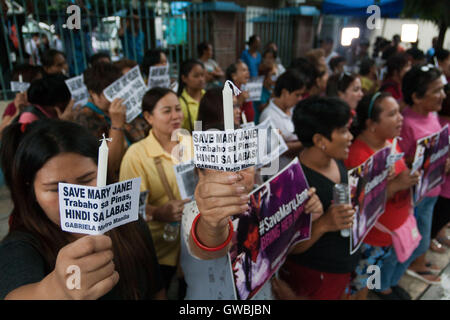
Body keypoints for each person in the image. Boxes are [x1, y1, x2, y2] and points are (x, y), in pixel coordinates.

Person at [0, 119, 165, 300]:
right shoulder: (21, 247)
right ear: (32, 191)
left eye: (87, 180)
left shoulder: (132, 224)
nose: (78, 196)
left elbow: (157, 290)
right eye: (55, 189)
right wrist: (55, 289)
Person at [181, 96, 322, 300]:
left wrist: (304, 214)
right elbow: (209, 244)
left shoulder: (265, 196)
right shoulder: (195, 210)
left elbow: (282, 246)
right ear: (200, 173)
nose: (235, 173)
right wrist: (212, 223)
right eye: (223, 164)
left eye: (243, 162)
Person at [280, 96, 358, 300]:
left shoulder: (336, 160)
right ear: (319, 141)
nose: (350, 137)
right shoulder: (294, 182)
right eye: (342, 131)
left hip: (341, 267)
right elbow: (287, 248)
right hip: (316, 276)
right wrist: (324, 224)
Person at [345, 92, 420, 300]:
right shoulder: (358, 157)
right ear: (371, 124)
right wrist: (395, 186)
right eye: (392, 114)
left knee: (369, 282)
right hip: (370, 240)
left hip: (387, 237)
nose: (400, 118)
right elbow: (358, 206)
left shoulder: (391, 141)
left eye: (399, 112)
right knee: (356, 287)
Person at [119, 87, 192, 294]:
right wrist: (160, 213)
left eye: (178, 109)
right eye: (167, 111)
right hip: (159, 250)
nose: (176, 116)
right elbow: (131, 207)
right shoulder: (136, 155)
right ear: (149, 117)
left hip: (193, 243)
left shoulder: (191, 143)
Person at [398, 64, 448, 285]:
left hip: (433, 188)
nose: (443, 95)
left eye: (442, 89)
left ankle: (418, 261)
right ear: (417, 97)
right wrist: (430, 160)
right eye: (436, 91)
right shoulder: (406, 123)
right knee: (414, 234)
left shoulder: (433, 114)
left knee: (424, 230)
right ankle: (412, 266)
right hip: (415, 193)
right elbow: (399, 160)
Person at [75, 62, 127, 184]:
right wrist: (117, 125)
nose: (116, 97)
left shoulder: (121, 108)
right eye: (109, 93)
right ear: (93, 93)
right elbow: (109, 166)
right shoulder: (85, 118)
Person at [259, 70, 305, 172]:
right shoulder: (268, 115)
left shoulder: (294, 110)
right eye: (297, 95)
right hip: (280, 172)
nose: (300, 99)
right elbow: (279, 149)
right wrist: (306, 142)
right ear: (285, 93)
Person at [0, 64, 43, 137]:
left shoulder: (44, 102)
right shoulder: (14, 106)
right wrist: (18, 112)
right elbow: (2, 133)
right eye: (38, 82)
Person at [113, 59, 150, 144]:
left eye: (135, 79)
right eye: (127, 81)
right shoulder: (114, 118)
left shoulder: (146, 110)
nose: (132, 85)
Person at [177, 59, 206, 132]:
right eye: (196, 76)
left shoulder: (208, 97)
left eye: (202, 75)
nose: (201, 79)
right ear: (184, 78)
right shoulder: (181, 104)